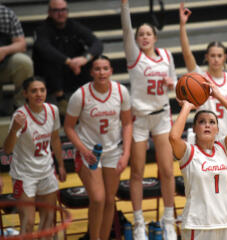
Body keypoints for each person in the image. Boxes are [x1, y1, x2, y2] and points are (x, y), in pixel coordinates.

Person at [120, 1, 178, 239]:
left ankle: (169, 221)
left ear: (155, 37)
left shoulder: (166, 56)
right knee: (137, 173)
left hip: (162, 117)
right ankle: (139, 223)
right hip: (140, 119)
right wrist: (125, 7)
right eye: (140, 34)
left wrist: (171, 84)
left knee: (167, 171)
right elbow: (126, 30)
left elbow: (174, 82)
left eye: (148, 34)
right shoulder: (134, 57)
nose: (144, 37)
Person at [169, 81, 227, 240]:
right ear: (194, 129)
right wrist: (186, 107)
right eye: (201, 122)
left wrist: (219, 96)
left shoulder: (223, 148)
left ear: (217, 129)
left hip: (226, 222)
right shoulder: (188, 152)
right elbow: (173, 137)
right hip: (198, 225)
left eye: (212, 122)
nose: (207, 125)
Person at [179, 3, 227, 185]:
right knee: (202, 183)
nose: (216, 59)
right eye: (212, 55)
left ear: (225, 57)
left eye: (219, 55)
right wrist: (182, 26)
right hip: (204, 136)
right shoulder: (200, 78)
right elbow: (187, 55)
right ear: (206, 57)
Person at [64, 55, 132, 240]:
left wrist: (126, 153)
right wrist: (83, 151)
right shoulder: (81, 95)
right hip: (89, 153)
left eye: (105, 68)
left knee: (110, 200)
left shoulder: (121, 91)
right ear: (91, 72)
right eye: (97, 69)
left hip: (113, 151)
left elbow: (127, 124)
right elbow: (68, 127)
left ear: (111, 71)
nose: (101, 72)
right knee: (98, 199)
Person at [3, 77, 66, 236]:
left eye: (42, 90)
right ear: (25, 94)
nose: (38, 94)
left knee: (48, 221)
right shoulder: (20, 116)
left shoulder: (53, 110)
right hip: (24, 175)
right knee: (28, 222)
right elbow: (8, 149)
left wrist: (61, 165)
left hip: (46, 172)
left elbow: (56, 139)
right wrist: (14, 128)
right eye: (33, 91)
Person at [33, 0, 103, 116]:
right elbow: (44, 48)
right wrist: (69, 62)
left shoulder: (73, 26)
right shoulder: (42, 29)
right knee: (49, 58)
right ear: (49, 12)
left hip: (73, 71)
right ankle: (61, 101)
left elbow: (97, 43)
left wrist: (84, 59)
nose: (60, 14)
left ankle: (90, 98)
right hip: (50, 75)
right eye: (56, 10)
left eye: (63, 10)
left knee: (93, 59)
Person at [0, 4, 33, 114]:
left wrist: (4, 50)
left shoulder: (6, 13)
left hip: (4, 64)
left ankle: (21, 105)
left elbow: (21, 44)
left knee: (24, 62)